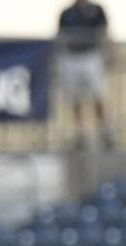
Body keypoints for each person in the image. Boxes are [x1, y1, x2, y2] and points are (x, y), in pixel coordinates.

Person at [58, 0, 113, 150]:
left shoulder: (96, 9)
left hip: (91, 56)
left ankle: (104, 131)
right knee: (75, 98)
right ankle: (80, 134)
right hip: (71, 57)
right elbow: (61, 36)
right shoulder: (66, 13)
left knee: (98, 95)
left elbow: (104, 32)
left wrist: (108, 54)